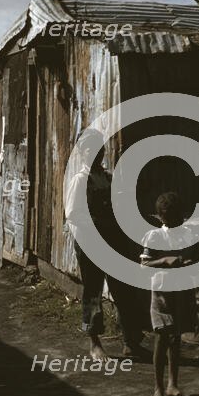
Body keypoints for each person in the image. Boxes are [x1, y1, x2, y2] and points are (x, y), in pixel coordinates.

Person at [65, 128, 147, 361]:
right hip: (91, 243)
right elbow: (72, 214)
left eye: (99, 148)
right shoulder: (80, 180)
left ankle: (131, 342)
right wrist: (98, 225)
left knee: (125, 290)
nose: (96, 153)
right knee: (93, 292)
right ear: (81, 152)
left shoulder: (109, 178)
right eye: (90, 148)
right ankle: (94, 343)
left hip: (115, 241)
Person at [139, 192, 199, 396]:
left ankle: (173, 384)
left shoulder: (187, 235)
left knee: (176, 337)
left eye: (178, 220)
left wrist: (189, 263)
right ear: (161, 218)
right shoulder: (154, 236)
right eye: (169, 220)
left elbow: (193, 258)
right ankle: (158, 387)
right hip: (162, 294)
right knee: (162, 337)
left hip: (181, 290)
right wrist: (165, 260)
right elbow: (144, 264)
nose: (175, 224)